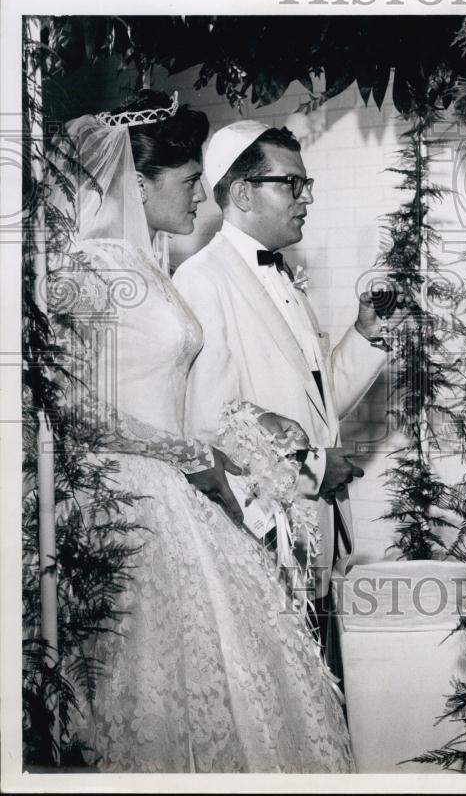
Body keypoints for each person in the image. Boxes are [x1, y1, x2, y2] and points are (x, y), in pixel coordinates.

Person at [52, 92, 354, 772]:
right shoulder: (84, 271)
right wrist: (181, 450)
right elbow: (65, 406)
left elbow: (181, 392)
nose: (201, 197)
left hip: (177, 493)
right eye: (189, 182)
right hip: (124, 503)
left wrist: (251, 428)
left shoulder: (145, 269)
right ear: (139, 182)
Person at [174, 121, 391, 648]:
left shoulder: (282, 274)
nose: (306, 197)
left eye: (306, 184)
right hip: (259, 539)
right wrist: (314, 468)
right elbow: (209, 427)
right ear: (243, 192)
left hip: (313, 537)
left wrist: (367, 335)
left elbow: (318, 407)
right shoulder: (201, 282)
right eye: (291, 184)